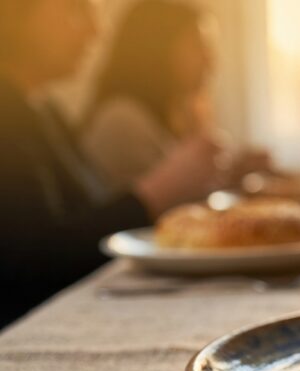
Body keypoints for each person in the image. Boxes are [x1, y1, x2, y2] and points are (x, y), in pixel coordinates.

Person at [0, 0, 221, 327]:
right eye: (75, 9)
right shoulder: (9, 118)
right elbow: (31, 263)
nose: (96, 30)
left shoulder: (45, 111)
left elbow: (85, 217)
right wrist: (152, 195)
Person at [81, 0, 268, 190]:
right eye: (198, 46)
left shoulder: (175, 118)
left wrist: (232, 172)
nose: (210, 60)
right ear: (157, 50)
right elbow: (158, 201)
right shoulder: (121, 121)